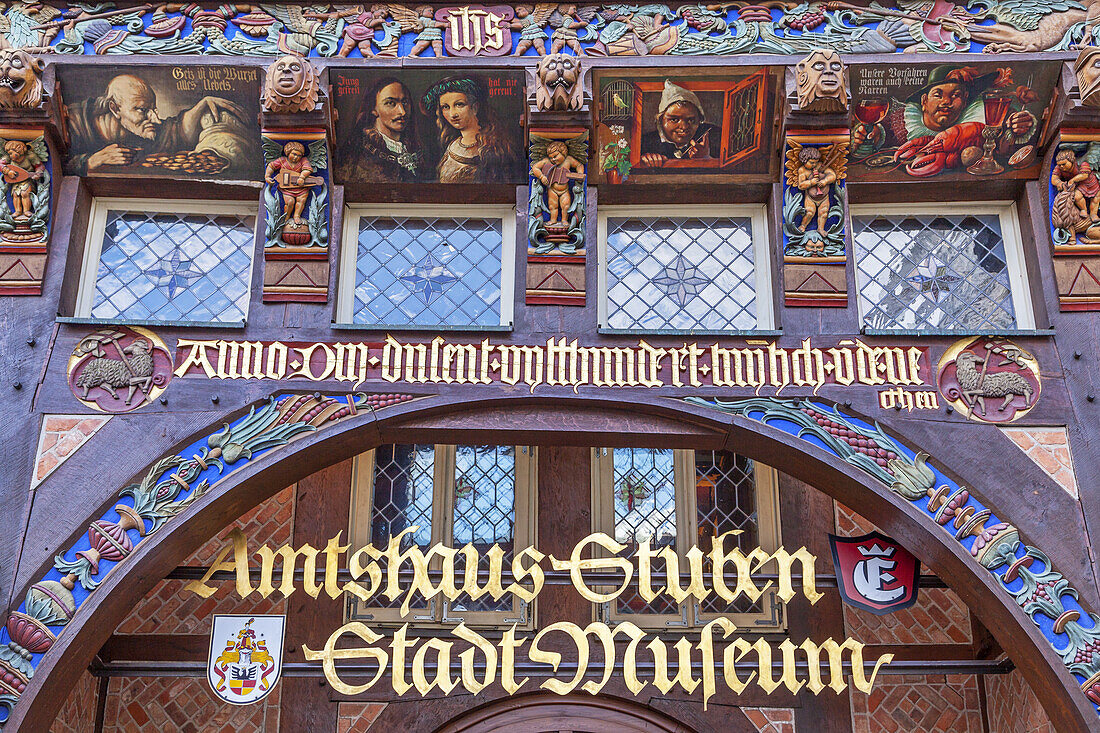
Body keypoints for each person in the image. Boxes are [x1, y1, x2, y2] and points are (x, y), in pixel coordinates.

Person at [65, 74, 247, 175]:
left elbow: (173, 133)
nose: (155, 119)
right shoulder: (73, 123)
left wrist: (200, 107)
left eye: (153, 110)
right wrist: (92, 161)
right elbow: (50, 170)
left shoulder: (139, 129)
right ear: (114, 108)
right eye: (143, 110)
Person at [422, 76, 520, 183]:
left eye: (459, 104)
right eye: (446, 107)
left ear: (474, 107)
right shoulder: (453, 145)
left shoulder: (492, 147)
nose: (452, 114)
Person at [339, 77, 423, 182]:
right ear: (374, 109)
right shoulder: (358, 152)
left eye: (405, 102)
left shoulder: (414, 148)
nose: (402, 112)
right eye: (390, 103)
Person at [639, 80, 719, 167]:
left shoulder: (714, 136)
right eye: (674, 120)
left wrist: (706, 159)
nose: (684, 127)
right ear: (661, 120)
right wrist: (644, 161)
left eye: (691, 120)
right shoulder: (645, 142)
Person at [530, 140, 585, 227]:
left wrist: (580, 174)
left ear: (563, 153)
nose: (553, 159)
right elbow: (535, 167)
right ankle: (553, 220)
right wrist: (541, 176)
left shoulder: (568, 160)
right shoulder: (547, 162)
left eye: (555, 156)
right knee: (552, 206)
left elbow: (579, 165)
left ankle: (564, 220)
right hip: (552, 190)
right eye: (551, 157)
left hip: (565, 190)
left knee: (565, 206)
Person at [264, 141, 315, 226]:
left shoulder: (303, 160)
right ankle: (286, 217)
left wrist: (302, 177)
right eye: (294, 154)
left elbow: (308, 169)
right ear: (288, 153)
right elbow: (271, 166)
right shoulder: (282, 160)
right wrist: (267, 176)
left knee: (301, 201)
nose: (296, 157)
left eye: (299, 155)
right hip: (287, 188)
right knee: (289, 202)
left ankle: (297, 215)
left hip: (301, 187)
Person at [0, 140, 45, 221]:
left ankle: (26, 210)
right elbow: (1, 164)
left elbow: (39, 166)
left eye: (11, 153)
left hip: (27, 180)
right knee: (15, 195)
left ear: (19, 151)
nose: (10, 156)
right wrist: (8, 171)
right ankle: (17, 211)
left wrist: (38, 173)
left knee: (25, 193)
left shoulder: (30, 156)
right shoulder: (8, 158)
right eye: (9, 154)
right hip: (15, 181)